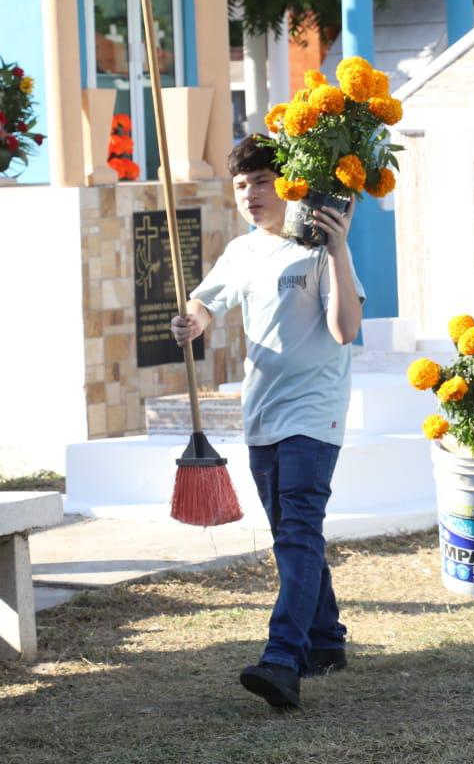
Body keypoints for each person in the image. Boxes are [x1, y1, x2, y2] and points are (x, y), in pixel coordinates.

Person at [170, 135, 362, 709]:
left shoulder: (319, 249)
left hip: (315, 412)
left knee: (298, 530)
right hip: (263, 415)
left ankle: (283, 658)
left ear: (288, 182)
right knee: (291, 536)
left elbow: (345, 330)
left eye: (260, 180)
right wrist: (193, 321)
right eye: (240, 185)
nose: (250, 194)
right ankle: (326, 640)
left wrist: (342, 250)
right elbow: (206, 302)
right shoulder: (241, 252)